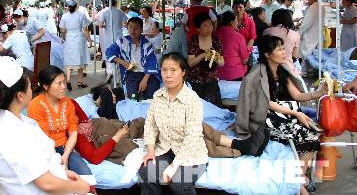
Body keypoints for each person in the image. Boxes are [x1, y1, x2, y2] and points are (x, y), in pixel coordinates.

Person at [139, 53, 269, 195]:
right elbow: (150, 125)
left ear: (183, 72)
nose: (168, 75)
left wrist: (174, 165)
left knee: (179, 182)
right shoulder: (158, 96)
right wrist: (151, 150)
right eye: (164, 70)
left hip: (192, 153)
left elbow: (192, 136)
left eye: (173, 70)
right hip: (165, 149)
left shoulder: (192, 100)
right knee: (146, 172)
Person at [0, 57, 91, 195]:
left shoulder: (3, 121)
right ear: (20, 96)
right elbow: (47, 184)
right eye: (30, 86)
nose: (33, 90)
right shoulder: (15, 134)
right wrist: (81, 187)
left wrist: (62, 173)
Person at [236, 35, 327, 195]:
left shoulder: (281, 71)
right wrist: (295, 114)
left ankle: (297, 179)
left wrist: (319, 93)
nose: (284, 52)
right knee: (307, 134)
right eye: (279, 49)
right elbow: (266, 103)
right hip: (265, 118)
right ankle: (298, 184)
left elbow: (298, 95)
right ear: (267, 54)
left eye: (283, 48)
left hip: (283, 113)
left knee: (315, 132)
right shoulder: (257, 73)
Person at [28, 66, 93, 177]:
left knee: (86, 176)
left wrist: (66, 154)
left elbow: (73, 132)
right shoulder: (36, 105)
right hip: (46, 151)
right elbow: (44, 139)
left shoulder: (68, 103)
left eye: (64, 82)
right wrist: (57, 161)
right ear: (46, 86)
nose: (64, 87)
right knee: (60, 178)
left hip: (65, 147)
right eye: (59, 83)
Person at [106, 17, 160, 100]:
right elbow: (109, 52)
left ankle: (148, 109)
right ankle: (134, 108)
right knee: (133, 97)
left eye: (136, 28)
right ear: (127, 28)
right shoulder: (122, 42)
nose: (132, 30)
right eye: (130, 27)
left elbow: (151, 63)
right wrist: (123, 62)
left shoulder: (147, 45)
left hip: (147, 74)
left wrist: (145, 80)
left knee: (151, 95)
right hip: (132, 74)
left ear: (141, 29)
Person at [187, 12, 224, 105]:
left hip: (211, 81)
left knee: (212, 109)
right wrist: (203, 55)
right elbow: (190, 63)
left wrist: (214, 56)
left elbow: (222, 63)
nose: (209, 28)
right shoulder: (193, 40)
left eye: (210, 24)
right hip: (195, 81)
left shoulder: (216, 40)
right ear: (198, 29)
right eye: (205, 26)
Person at [59, 0, 93, 91]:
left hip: (69, 39)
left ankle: (69, 80)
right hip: (79, 38)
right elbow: (85, 30)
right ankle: (79, 81)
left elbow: (62, 30)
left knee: (69, 60)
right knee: (80, 61)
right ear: (76, 6)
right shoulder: (81, 15)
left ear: (68, 7)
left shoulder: (64, 16)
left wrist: (63, 37)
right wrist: (89, 40)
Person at [98, 0, 127, 83]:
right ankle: (117, 79)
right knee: (118, 56)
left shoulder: (104, 12)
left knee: (108, 55)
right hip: (118, 36)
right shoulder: (120, 12)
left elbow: (100, 24)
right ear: (116, 3)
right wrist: (118, 24)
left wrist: (106, 25)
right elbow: (125, 24)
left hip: (108, 37)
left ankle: (109, 72)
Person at [264, 9, 300, 74]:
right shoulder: (295, 34)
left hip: (270, 69)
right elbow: (294, 56)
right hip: (289, 69)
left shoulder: (267, 32)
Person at [215, 11, 249, 81]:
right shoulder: (238, 37)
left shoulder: (214, 34)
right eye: (236, 20)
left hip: (218, 73)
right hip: (235, 73)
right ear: (231, 22)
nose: (237, 23)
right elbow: (245, 60)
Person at [298, 0, 325, 77]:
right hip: (318, 33)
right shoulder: (322, 7)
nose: (308, 1)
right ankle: (313, 71)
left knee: (306, 54)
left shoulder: (313, 8)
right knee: (315, 54)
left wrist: (300, 32)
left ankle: (305, 72)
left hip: (310, 34)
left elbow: (307, 22)